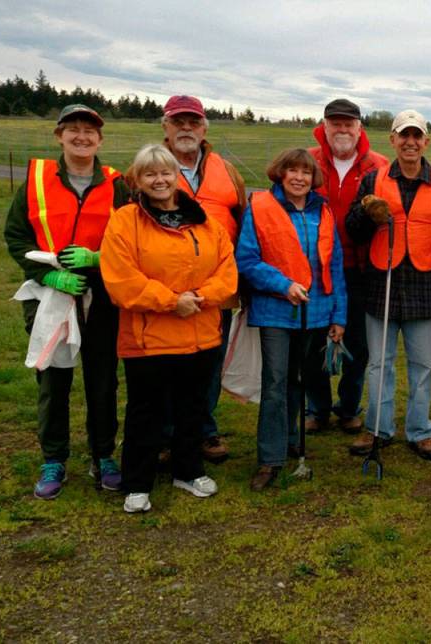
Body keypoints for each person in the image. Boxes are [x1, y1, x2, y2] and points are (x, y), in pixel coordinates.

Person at [100, 144, 238, 513]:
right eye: (150, 174)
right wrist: (170, 301)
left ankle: (188, 471)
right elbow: (120, 279)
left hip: (200, 333)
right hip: (148, 338)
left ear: (178, 177)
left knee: (192, 408)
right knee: (146, 412)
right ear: (138, 180)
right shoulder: (125, 221)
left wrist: (200, 297)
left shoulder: (206, 220)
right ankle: (138, 482)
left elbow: (227, 270)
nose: (159, 180)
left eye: (166, 173)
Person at [4, 104, 131, 499]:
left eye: (89, 131)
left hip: (101, 295)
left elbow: (132, 240)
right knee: (54, 380)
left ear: (100, 139)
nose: (82, 136)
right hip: (51, 295)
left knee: (102, 380)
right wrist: (48, 274)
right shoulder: (36, 181)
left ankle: (103, 455)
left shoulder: (116, 183)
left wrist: (99, 259)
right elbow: (16, 238)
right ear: (59, 135)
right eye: (73, 129)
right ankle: (54, 458)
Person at [345, 110, 431, 460]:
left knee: (422, 365)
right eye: (404, 136)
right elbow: (353, 231)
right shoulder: (373, 181)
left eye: (417, 136)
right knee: (379, 364)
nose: (410, 142)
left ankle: (419, 430)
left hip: (425, 288)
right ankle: (378, 429)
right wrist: (368, 214)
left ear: (426, 141)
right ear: (393, 140)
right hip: (380, 285)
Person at [236, 149, 346, 490]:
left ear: (314, 178)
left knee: (299, 379)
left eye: (306, 172)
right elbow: (247, 259)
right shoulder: (260, 207)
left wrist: (338, 315)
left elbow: (335, 267)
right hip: (276, 312)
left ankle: (289, 439)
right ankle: (270, 458)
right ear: (280, 174)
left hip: (316, 313)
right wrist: (283, 285)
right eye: (292, 171)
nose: (299, 177)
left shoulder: (323, 210)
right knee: (275, 382)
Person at [162, 95, 247, 463]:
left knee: (210, 363)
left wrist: (241, 279)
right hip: (165, 289)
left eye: (193, 122)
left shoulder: (227, 171)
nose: (186, 128)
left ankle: (203, 430)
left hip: (217, 286)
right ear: (165, 126)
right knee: (166, 363)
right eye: (178, 121)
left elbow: (243, 224)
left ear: (204, 128)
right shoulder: (150, 168)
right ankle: (166, 436)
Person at [305, 98, 388, 435]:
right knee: (313, 341)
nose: (341, 129)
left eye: (348, 123)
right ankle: (318, 407)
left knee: (358, 341)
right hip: (314, 268)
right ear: (324, 126)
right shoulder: (307, 162)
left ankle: (350, 406)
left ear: (359, 128)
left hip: (362, 268)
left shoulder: (378, 166)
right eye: (335, 122)